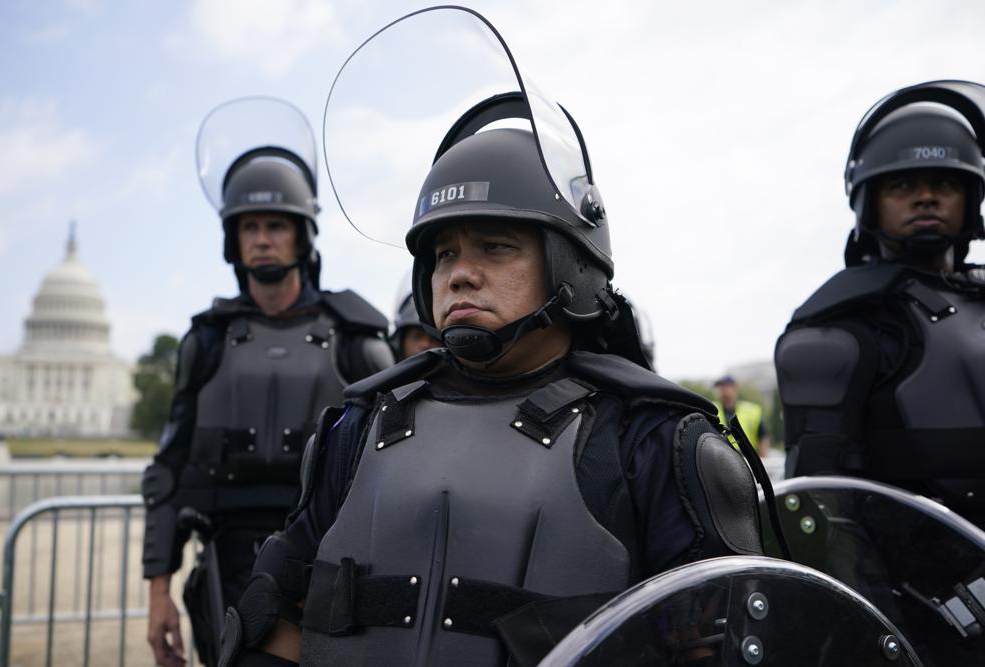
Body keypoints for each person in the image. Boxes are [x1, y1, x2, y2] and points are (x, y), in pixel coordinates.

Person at [217, 13, 765, 660]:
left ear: (571, 264)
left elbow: (724, 639)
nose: (461, 274)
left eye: (495, 246)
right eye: (444, 253)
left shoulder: (655, 444)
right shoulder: (359, 423)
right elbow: (272, 613)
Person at [141, 97, 393, 667]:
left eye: (275, 225)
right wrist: (159, 595)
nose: (262, 238)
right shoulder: (205, 341)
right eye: (249, 227)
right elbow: (167, 471)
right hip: (226, 566)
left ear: (302, 235)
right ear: (233, 240)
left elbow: (397, 462)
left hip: (331, 568)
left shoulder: (355, 337)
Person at [775, 80, 985, 527]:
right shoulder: (838, 328)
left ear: (971, 198)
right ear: (870, 201)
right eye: (903, 184)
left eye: (945, 182)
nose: (925, 196)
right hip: (918, 589)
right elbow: (819, 514)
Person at [712, 375, 770, 457]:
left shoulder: (751, 411)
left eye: (725, 387)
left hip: (747, 458)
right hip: (720, 458)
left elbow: (763, 437)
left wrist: (763, 459)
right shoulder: (712, 410)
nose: (722, 390)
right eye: (719, 387)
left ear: (735, 388)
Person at [390, 274, 441, 361]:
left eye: (434, 337)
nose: (425, 344)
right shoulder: (383, 372)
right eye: (417, 336)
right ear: (401, 341)